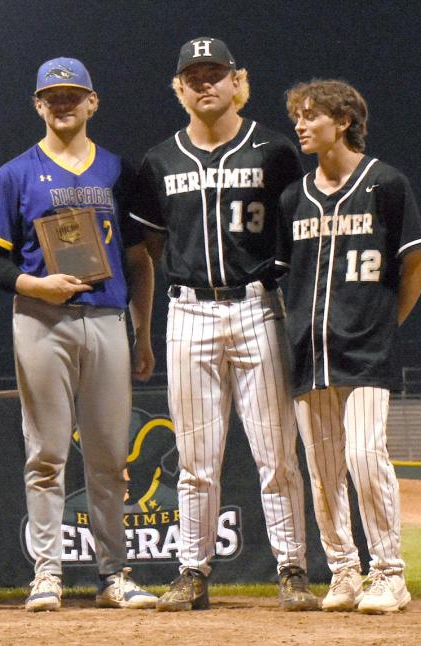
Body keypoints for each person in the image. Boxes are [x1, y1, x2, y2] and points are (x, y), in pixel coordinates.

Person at [132, 37, 318, 611]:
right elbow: (154, 243)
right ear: (178, 88)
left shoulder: (275, 150)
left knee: (276, 454)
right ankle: (192, 571)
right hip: (188, 310)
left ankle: (292, 569)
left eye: (215, 73)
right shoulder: (158, 160)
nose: (204, 82)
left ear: (237, 80)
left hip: (259, 305)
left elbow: (295, 230)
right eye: (193, 75)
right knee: (195, 459)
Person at [0, 57, 157, 612]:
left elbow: (139, 260)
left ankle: (114, 574)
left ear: (92, 102)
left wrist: (143, 332)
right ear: (38, 104)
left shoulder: (118, 172)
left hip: (106, 318)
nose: (63, 104)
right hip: (41, 320)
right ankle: (47, 573)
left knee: (107, 456)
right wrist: (37, 284)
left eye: (73, 95)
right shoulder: (16, 173)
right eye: (52, 96)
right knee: (47, 453)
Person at [280, 79, 421, 614]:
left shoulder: (386, 183)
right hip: (308, 354)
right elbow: (285, 281)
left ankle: (390, 573)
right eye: (298, 115)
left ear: (343, 121)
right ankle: (344, 570)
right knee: (323, 473)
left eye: (311, 115)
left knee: (365, 457)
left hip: (366, 352)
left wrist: (384, 325)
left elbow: (417, 265)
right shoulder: (293, 198)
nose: (300, 124)